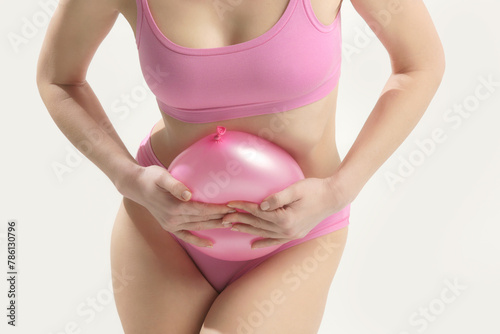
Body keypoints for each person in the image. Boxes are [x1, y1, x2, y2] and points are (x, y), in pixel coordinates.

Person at [36, 0, 445, 333]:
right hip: (163, 227)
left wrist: (339, 191)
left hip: (295, 235)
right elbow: (59, 79)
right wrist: (129, 178)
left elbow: (420, 63)